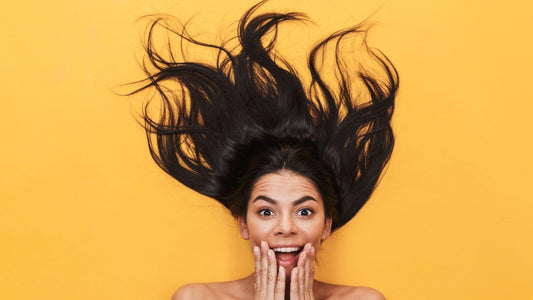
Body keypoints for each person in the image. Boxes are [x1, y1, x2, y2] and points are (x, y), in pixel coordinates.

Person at [129, 1, 398, 299]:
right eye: (266, 211)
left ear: (326, 225)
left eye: (305, 211)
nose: (285, 227)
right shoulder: (197, 297)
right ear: (243, 223)